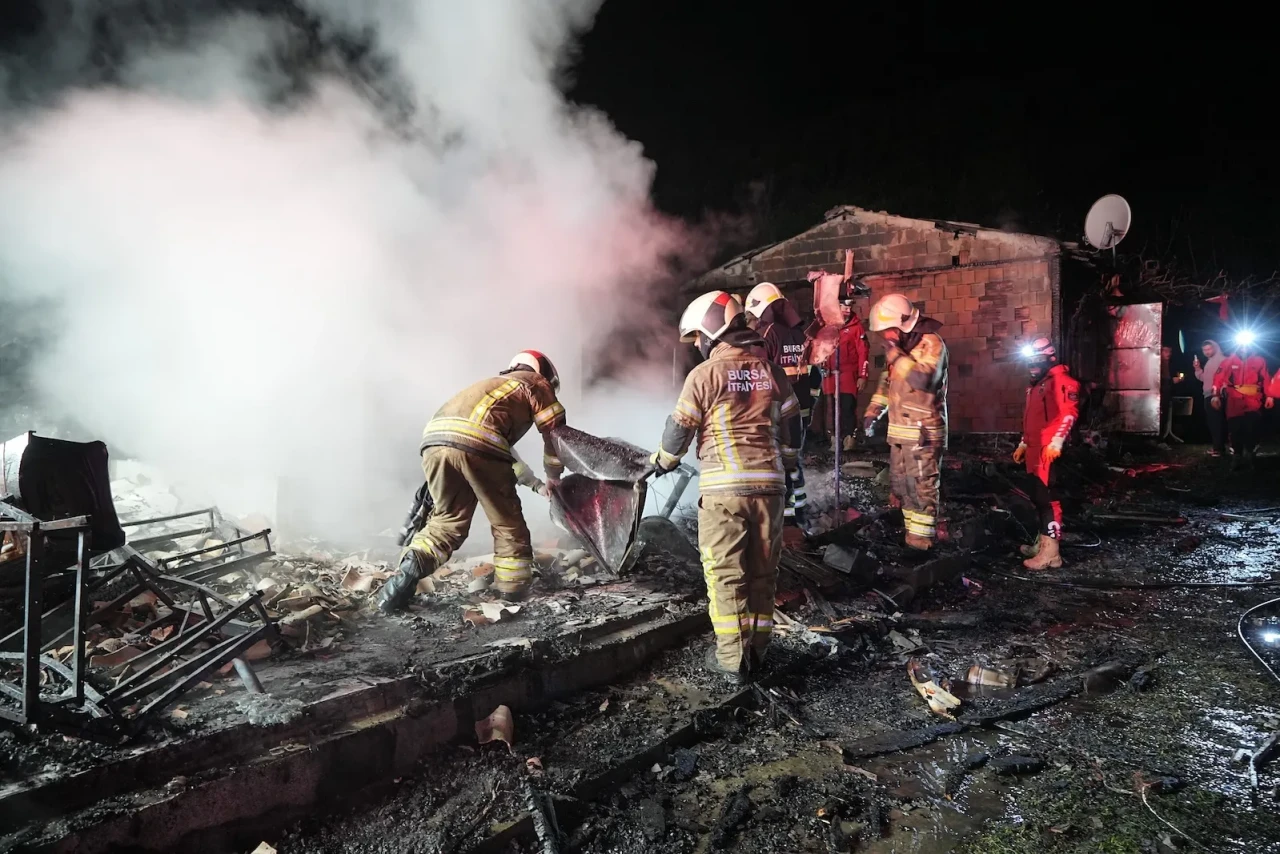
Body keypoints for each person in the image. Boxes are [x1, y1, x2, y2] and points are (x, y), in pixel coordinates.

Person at [650, 290, 801, 684]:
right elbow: (793, 428)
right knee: (763, 573)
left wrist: (663, 462)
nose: (698, 347)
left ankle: (733, 662)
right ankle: (759, 652)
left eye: (698, 338)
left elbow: (679, 429)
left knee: (726, 575)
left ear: (711, 333)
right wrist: (785, 461)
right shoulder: (773, 372)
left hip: (724, 494)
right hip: (770, 489)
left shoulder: (704, 375)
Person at [378, 351, 566, 613]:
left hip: (434, 443)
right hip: (479, 446)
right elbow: (556, 436)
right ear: (543, 372)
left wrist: (537, 485)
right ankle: (513, 593)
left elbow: (507, 457)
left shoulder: (492, 390)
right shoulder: (535, 383)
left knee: (446, 522)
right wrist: (554, 478)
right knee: (507, 524)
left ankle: (401, 583)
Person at [862, 294, 949, 551]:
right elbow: (887, 383)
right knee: (902, 487)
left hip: (923, 433)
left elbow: (925, 380)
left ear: (901, 325)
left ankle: (921, 542)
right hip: (900, 433)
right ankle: (912, 537)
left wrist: (896, 355)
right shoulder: (901, 349)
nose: (883, 337)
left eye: (886, 330)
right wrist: (873, 411)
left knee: (921, 488)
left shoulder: (932, 344)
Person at [745, 282, 811, 528]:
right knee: (794, 459)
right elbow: (812, 373)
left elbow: (759, 376)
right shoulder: (798, 333)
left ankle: (783, 518)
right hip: (801, 408)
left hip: (776, 411)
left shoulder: (766, 335)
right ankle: (799, 511)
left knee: (778, 462)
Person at [1013, 338, 1080, 570]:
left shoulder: (1061, 382)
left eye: (1036, 360)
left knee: (1048, 500)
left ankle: (1052, 554)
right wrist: (1023, 443)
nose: (1032, 365)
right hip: (1034, 449)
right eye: (1029, 361)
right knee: (1038, 498)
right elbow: (1033, 419)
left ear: (1049, 357)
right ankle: (1042, 544)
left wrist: (1057, 442)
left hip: (1048, 451)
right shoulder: (1036, 384)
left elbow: (1069, 414)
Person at [1212, 337, 1269, 470]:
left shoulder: (1260, 360)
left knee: (1252, 428)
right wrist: (1215, 396)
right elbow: (1218, 379)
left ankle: (1250, 455)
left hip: (1253, 399)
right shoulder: (1229, 361)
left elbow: (1266, 379)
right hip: (1234, 400)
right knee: (1235, 428)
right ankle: (1236, 456)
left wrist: (1270, 396)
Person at [820, 299, 869, 452]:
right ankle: (834, 439)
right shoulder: (827, 326)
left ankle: (849, 439)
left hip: (848, 374)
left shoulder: (856, 328)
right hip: (830, 375)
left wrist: (863, 376)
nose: (847, 310)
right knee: (831, 408)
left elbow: (863, 353)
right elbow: (821, 349)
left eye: (849, 307)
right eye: (843, 307)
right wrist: (822, 366)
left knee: (847, 406)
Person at [1193, 340, 1227, 456]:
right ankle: (1220, 447)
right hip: (1209, 394)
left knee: (1216, 422)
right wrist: (1198, 369)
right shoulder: (1210, 362)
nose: (1207, 352)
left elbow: (1224, 379)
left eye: (1209, 349)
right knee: (1215, 422)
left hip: (1216, 395)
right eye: (1204, 350)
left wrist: (1218, 393)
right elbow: (1205, 379)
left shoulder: (1221, 360)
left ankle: (1219, 448)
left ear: (1215, 348)